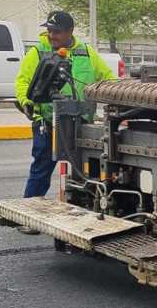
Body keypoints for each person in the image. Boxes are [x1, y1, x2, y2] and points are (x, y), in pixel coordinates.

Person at [14, 10, 115, 204]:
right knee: (41, 168)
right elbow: (22, 82)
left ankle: (83, 209)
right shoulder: (38, 52)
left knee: (86, 169)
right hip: (48, 122)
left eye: (57, 31)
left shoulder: (86, 53)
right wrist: (26, 103)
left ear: (70, 31)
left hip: (81, 123)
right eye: (50, 30)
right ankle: (31, 208)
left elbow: (108, 78)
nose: (52, 35)